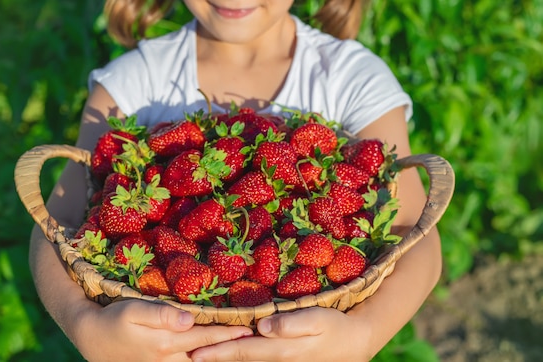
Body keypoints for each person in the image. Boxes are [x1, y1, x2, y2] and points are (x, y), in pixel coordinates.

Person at [28, 0, 443, 361]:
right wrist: (84, 325)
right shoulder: (131, 83)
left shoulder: (351, 77)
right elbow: (54, 224)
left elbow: (416, 233)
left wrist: (363, 335)